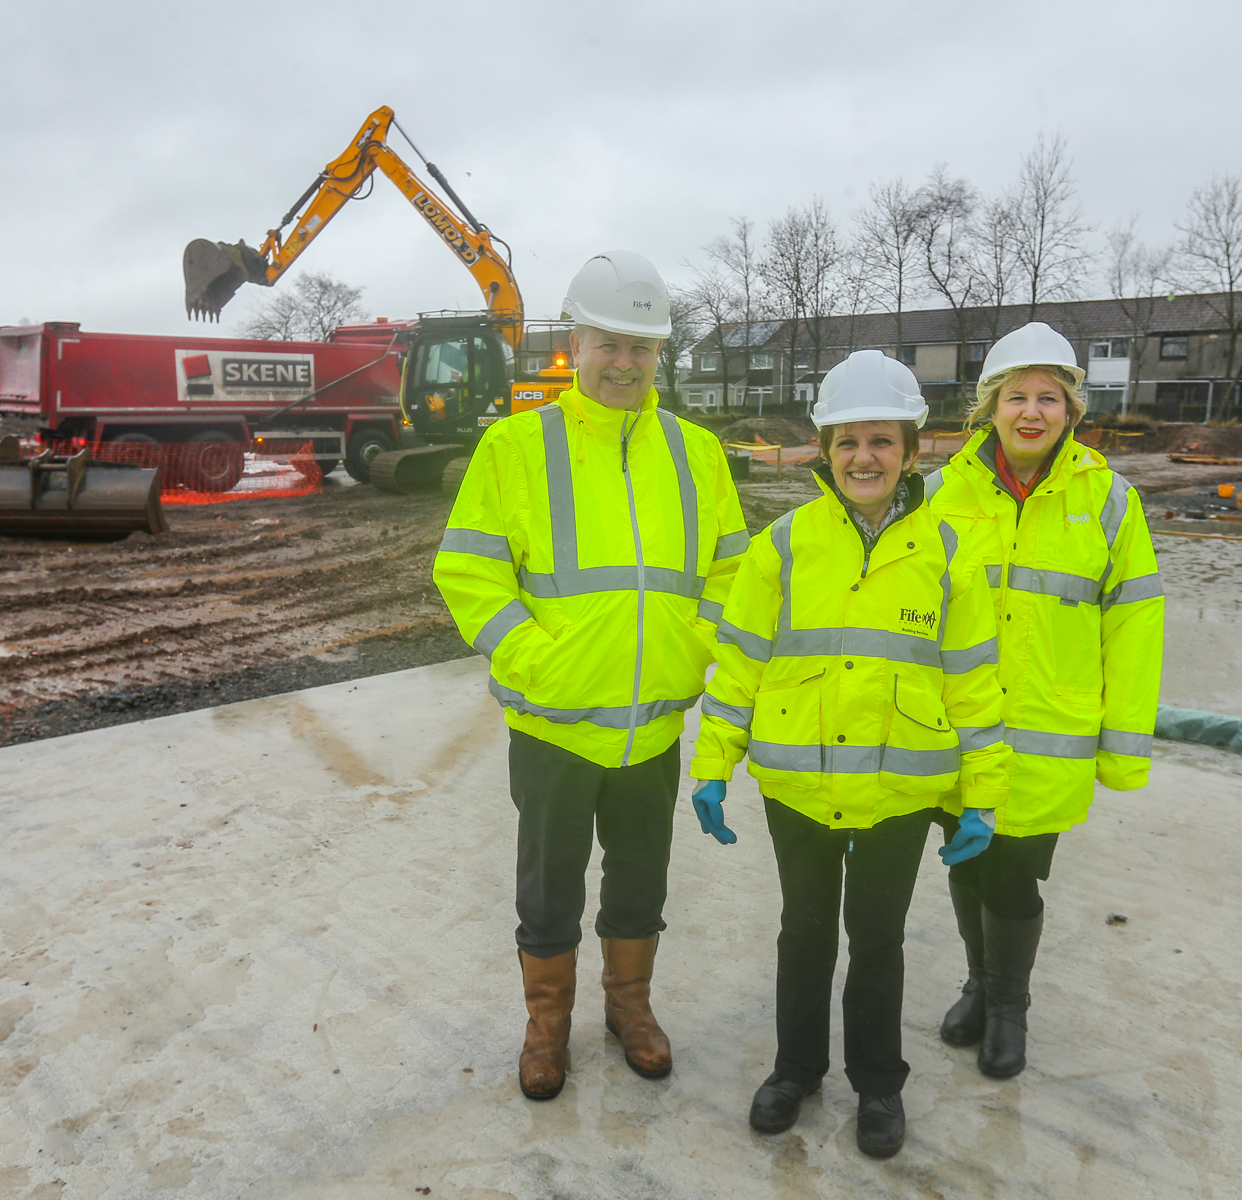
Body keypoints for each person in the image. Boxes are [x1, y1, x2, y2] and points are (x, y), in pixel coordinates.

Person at [433, 251, 749, 1101]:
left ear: (661, 355)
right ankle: (546, 1028)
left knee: (641, 878)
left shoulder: (696, 452)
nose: (624, 364)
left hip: (652, 725)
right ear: (574, 342)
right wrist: (537, 658)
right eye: (608, 344)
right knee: (548, 887)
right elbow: (468, 572)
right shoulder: (515, 446)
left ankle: (629, 1009)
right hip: (552, 727)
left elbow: (731, 571)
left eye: (642, 348)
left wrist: (695, 643)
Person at [689, 350, 1008, 1158]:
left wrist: (981, 793)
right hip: (797, 785)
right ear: (823, 451)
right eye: (846, 442)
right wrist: (711, 765)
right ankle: (794, 1070)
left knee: (876, 940)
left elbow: (974, 683)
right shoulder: (784, 545)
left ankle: (877, 1085)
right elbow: (741, 664)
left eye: (880, 441)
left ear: (910, 450)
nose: (862, 457)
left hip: (898, 796)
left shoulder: (946, 552)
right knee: (802, 934)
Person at [923, 321, 1164, 1079]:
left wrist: (1122, 746)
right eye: (1017, 396)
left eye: (1049, 398)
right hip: (958, 727)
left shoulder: (1109, 502)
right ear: (988, 407)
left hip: (1047, 731)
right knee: (965, 863)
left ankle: (1007, 1007)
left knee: (1012, 874)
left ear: (1071, 410)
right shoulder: (938, 493)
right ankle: (976, 982)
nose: (1032, 412)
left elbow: (1134, 627)